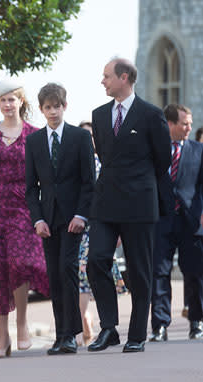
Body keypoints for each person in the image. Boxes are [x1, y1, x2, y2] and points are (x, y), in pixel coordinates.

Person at [87, 58, 171, 353]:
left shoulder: (151, 114)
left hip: (139, 202)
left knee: (139, 270)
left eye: (107, 76)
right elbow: (106, 157)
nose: (103, 81)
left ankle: (137, 334)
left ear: (124, 78)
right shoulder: (98, 115)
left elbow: (163, 159)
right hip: (105, 201)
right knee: (96, 260)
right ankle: (109, 328)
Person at [0, 79, 49, 358]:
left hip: (25, 207)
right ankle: (3, 339)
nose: (7, 104)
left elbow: (45, 178)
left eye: (12, 99)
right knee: (0, 271)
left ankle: (22, 323)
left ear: (21, 101)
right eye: (2, 100)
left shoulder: (36, 135)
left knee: (21, 262)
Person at [25, 83, 95, 355]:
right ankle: (61, 334)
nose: (53, 112)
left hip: (73, 218)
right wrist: (37, 219)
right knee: (53, 276)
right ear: (41, 109)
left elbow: (89, 181)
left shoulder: (80, 138)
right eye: (47, 107)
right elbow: (32, 187)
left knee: (67, 270)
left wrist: (81, 215)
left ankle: (71, 334)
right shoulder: (34, 141)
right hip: (48, 219)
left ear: (65, 106)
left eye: (57, 106)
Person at [149, 104, 203, 342]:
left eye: (190, 123)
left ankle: (197, 322)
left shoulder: (198, 150)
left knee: (194, 273)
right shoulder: (155, 151)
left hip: (191, 221)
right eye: (184, 123)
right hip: (161, 220)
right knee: (159, 274)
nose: (189, 127)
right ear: (170, 124)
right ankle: (160, 326)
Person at [76, 121, 127, 346]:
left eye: (91, 136)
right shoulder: (75, 164)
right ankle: (84, 323)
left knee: (95, 274)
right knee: (80, 278)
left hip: (101, 226)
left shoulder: (105, 164)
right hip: (78, 227)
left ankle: (103, 324)